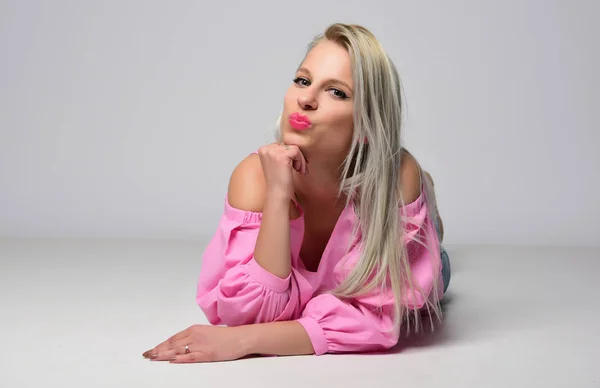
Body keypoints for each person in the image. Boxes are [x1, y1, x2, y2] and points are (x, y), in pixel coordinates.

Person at [142, 22, 451, 364]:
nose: (305, 99)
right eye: (303, 81)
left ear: (366, 124)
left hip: (401, 234)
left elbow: (376, 323)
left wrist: (240, 342)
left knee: (436, 282)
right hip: (301, 210)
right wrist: (277, 194)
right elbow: (252, 314)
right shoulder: (254, 176)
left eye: (336, 92)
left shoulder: (395, 178)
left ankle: (428, 215)